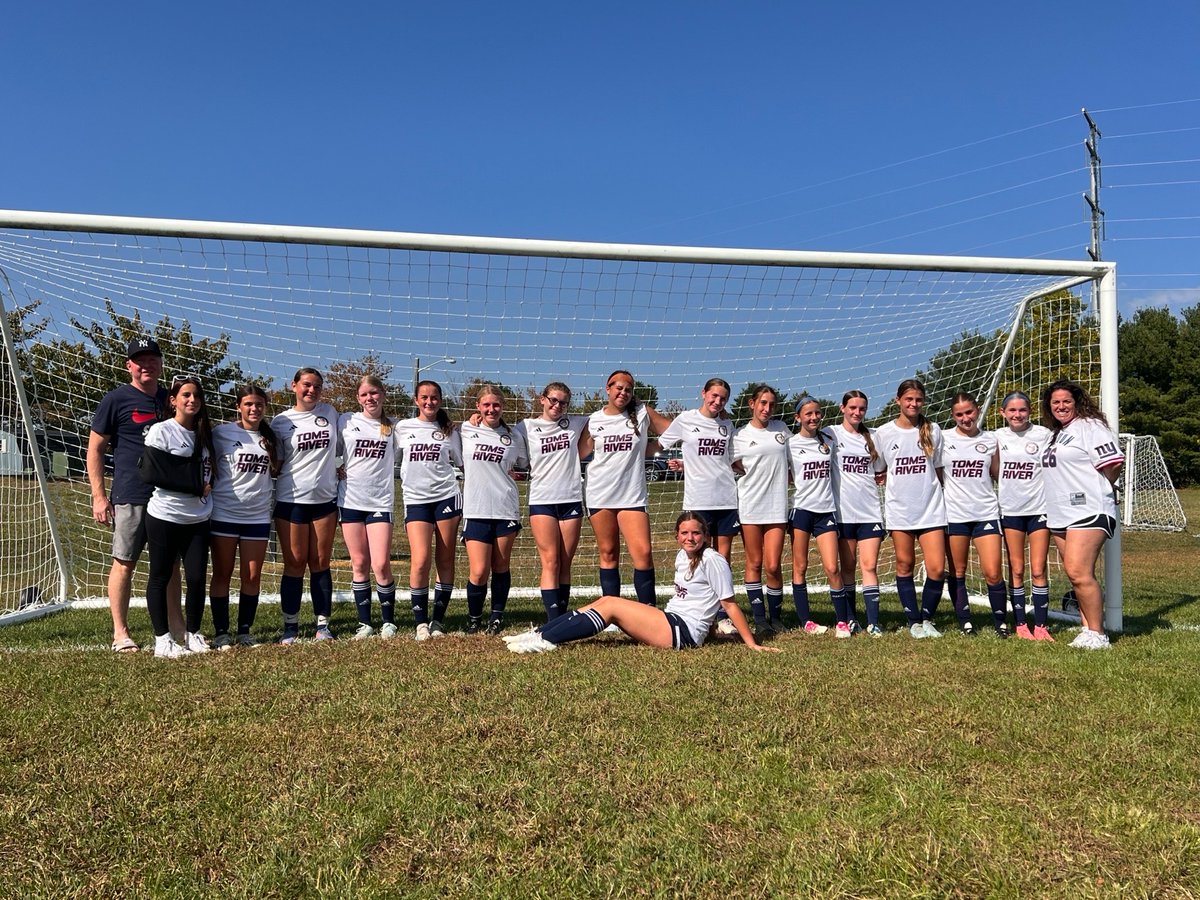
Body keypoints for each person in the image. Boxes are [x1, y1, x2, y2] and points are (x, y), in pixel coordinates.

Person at [505, 511, 780, 654]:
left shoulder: (713, 560)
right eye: (684, 533)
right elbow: (696, 601)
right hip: (672, 619)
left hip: (680, 633)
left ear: (706, 536)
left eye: (696, 533)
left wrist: (751, 643)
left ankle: (546, 641)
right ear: (677, 536)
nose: (690, 538)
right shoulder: (681, 557)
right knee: (603, 602)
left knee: (611, 605)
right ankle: (539, 633)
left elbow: (729, 605)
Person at [87, 337, 182, 652]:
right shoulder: (115, 400)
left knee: (169, 566)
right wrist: (99, 496)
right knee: (125, 562)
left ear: (160, 364)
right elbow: (96, 450)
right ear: (129, 365)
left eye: (152, 359)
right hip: (132, 495)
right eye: (140, 360)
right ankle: (120, 632)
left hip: (169, 497)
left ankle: (178, 629)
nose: (147, 365)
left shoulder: (172, 400)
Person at [1040, 379, 1124, 650]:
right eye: (1056, 402)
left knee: (1078, 571)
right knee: (1078, 573)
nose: (1061, 406)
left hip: (1088, 510)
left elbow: (1112, 464)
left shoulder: (1090, 426)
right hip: (1060, 513)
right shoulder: (1057, 432)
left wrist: (1100, 489)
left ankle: (1098, 634)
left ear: (1077, 402)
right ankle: (1087, 628)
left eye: (1066, 401)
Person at [139, 375, 215, 658]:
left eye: (196, 395)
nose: (192, 400)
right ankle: (162, 640)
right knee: (159, 576)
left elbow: (209, 473)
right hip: (165, 516)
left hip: (198, 519)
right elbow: (151, 473)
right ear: (173, 401)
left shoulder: (205, 434)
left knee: (196, 579)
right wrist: (194, 485)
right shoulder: (161, 431)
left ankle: (192, 634)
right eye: (185, 395)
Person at [875, 379, 948, 639]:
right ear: (898, 401)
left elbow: (939, 470)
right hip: (900, 510)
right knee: (905, 564)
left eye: (918, 399)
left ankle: (927, 618)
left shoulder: (934, 430)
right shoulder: (883, 433)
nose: (913, 404)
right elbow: (879, 469)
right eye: (908, 399)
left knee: (937, 568)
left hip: (931, 509)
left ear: (923, 401)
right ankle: (913, 621)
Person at [209, 384, 279, 649]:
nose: (254, 409)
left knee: (252, 576)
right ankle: (221, 632)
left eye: (259, 404)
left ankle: (245, 631)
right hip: (224, 514)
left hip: (258, 517)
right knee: (223, 573)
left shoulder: (269, 438)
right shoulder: (221, 433)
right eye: (249, 404)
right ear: (238, 406)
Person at [272, 367, 339, 644]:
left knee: (320, 563)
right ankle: (291, 627)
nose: (311, 390)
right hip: (291, 501)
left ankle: (322, 625)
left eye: (317, 387)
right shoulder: (280, 422)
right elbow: (275, 463)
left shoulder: (331, 414)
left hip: (324, 501)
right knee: (295, 564)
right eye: (307, 385)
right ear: (294, 386)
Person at [515, 382, 592, 622]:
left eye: (563, 402)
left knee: (565, 562)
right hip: (542, 501)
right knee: (551, 560)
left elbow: (604, 417)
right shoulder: (525, 427)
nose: (557, 406)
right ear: (542, 399)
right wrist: (476, 418)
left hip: (571, 500)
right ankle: (553, 620)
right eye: (553, 400)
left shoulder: (576, 423)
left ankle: (563, 618)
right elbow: (497, 430)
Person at [584, 370, 660, 606]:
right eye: (618, 387)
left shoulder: (642, 413)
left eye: (628, 389)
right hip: (600, 494)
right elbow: (578, 451)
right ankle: (612, 611)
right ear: (607, 388)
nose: (623, 392)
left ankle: (648, 611)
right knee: (608, 554)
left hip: (632, 496)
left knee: (644, 554)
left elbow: (673, 430)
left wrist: (649, 448)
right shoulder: (594, 420)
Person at [396, 380, 463, 640]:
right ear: (415, 400)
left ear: (440, 400)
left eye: (434, 397)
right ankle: (420, 623)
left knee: (445, 559)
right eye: (424, 397)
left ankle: (438, 621)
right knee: (421, 559)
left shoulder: (449, 430)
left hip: (446, 497)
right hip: (416, 500)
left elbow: (462, 461)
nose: (429, 402)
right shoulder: (402, 428)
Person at [459, 386, 529, 634]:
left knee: (501, 566)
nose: (491, 409)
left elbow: (522, 466)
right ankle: (474, 617)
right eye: (486, 405)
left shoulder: (514, 437)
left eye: (496, 405)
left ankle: (496, 617)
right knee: (478, 571)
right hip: (476, 509)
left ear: (503, 406)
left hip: (505, 509)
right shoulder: (466, 430)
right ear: (478, 406)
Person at [338, 375, 401, 640]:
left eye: (374, 393)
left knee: (381, 564)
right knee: (359, 563)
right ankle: (365, 623)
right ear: (357, 398)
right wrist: (336, 467)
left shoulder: (396, 426)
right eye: (364, 394)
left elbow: (428, 427)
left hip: (379, 502)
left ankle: (389, 622)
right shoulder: (346, 421)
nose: (370, 398)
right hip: (350, 501)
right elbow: (327, 449)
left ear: (383, 394)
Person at [942, 393, 1007, 637]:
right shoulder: (944, 438)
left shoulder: (991, 440)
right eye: (959, 414)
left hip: (986, 513)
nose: (965, 418)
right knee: (957, 571)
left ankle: (1001, 622)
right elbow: (938, 475)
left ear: (977, 410)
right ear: (953, 416)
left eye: (968, 412)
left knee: (992, 572)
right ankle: (965, 621)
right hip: (954, 514)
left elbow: (996, 473)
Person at [655, 378, 739, 560]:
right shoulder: (686, 419)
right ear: (703, 393)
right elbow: (660, 445)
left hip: (726, 499)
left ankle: (722, 590)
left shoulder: (727, 424)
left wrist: (685, 464)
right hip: (698, 500)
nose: (717, 402)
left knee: (723, 559)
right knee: (698, 556)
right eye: (714, 395)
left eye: (723, 399)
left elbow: (724, 459)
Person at [731, 385, 791, 638]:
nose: (767, 409)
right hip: (750, 506)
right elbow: (731, 465)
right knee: (754, 562)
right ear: (752, 404)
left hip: (777, 506)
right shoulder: (739, 435)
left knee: (773, 565)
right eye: (762, 403)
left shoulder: (782, 431)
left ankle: (775, 617)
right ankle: (759, 619)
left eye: (771, 404)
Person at [995, 390, 1053, 641]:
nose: (1017, 414)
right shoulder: (995, 437)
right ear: (1003, 413)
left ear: (1030, 411)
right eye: (1012, 410)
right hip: (1010, 511)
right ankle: (1020, 624)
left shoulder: (1044, 434)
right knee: (1016, 569)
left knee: (1039, 569)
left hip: (1039, 510)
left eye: (1022, 410)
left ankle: (1041, 626)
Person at [787, 396, 848, 636]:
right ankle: (806, 621)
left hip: (826, 512)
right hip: (801, 510)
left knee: (832, 567)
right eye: (808, 414)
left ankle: (842, 622)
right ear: (798, 417)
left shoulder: (829, 441)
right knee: (800, 566)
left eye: (817, 413)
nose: (813, 418)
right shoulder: (790, 444)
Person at [828, 390, 886, 636]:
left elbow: (881, 472)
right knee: (848, 567)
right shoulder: (831, 434)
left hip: (870, 512)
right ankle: (851, 619)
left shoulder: (874, 436)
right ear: (842, 408)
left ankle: (874, 622)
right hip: (843, 513)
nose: (857, 412)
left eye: (861, 408)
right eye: (852, 407)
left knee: (869, 565)